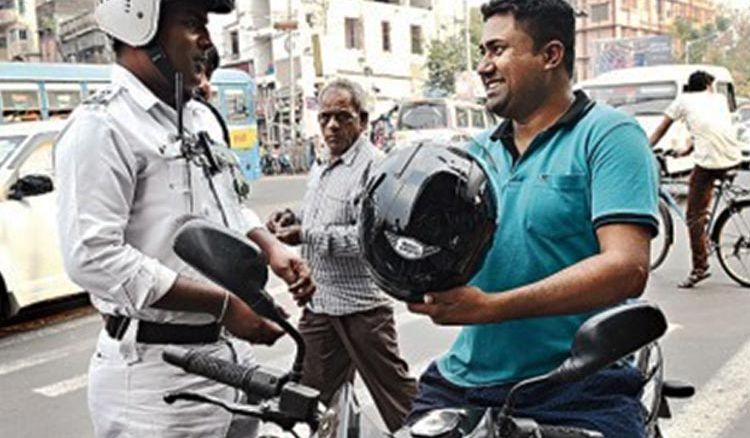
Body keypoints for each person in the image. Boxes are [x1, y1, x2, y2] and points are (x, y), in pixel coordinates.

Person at [54, 1, 314, 436]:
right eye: (193, 24)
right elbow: (92, 257)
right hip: (157, 384)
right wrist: (224, 305)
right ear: (140, 24)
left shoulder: (197, 119)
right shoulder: (102, 126)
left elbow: (225, 204)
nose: (208, 42)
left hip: (229, 362)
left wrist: (271, 249)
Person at [404, 1, 659, 437]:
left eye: (498, 50)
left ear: (551, 55)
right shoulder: (474, 155)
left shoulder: (609, 135)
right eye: (482, 52)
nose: (484, 66)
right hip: (465, 381)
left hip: (577, 384)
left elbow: (626, 268)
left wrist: (494, 308)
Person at [266, 78, 418, 432]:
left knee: (397, 395)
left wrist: (305, 234)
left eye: (342, 117)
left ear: (362, 121)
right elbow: (321, 214)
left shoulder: (374, 168)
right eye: (325, 118)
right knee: (307, 398)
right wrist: (293, 216)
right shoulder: (324, 164)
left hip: (361, 307)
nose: (332, 125)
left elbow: (370, 240)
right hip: (321, 304)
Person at [649, 70, 743, 288]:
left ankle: (700, 268)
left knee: (693, 216)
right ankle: (705, 226)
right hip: (732, 158)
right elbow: (708, 128)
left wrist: (644, 147)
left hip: (710, 162)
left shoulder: (683, 100)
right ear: (708, 85)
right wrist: (686, 150)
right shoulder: (718, 100)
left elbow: (661, 130)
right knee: (702, 197)